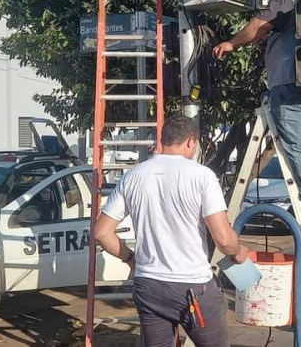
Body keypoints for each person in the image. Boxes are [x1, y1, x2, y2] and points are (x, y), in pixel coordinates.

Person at [94, 115, 249, 347]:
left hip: (149, 285)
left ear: (162, 140)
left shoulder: (133, 176)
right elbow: (224, 241)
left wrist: (131, 259)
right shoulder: (202, 176)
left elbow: (102, 233)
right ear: (191, 142)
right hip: (193, 287)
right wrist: (238, 252)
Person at [212, 0, 301, 226]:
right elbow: (293, 28)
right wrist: (273, 36)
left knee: (297, 142)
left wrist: (232, 43)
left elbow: (258, 25)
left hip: (288, 78)